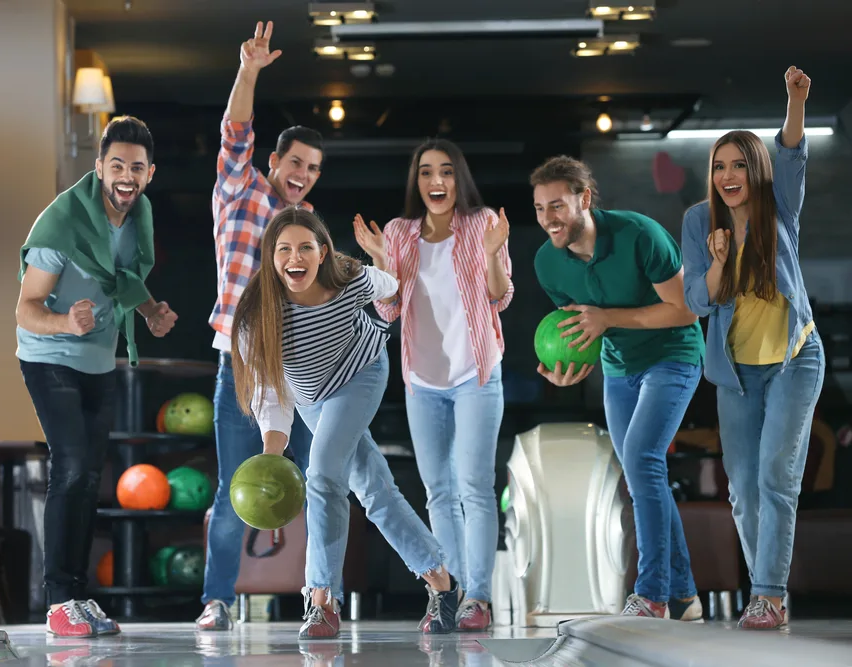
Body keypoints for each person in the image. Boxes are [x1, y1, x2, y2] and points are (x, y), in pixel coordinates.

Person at [231, 207, 461, 639]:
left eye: (305, 247)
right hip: (312, 397)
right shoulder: (255, 316)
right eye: (283, 249)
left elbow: (390, 285)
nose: (294, 257)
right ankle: (442, 582)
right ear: (271, 257)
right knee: (374, 489)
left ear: (322, 253)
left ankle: (321, 599)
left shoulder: (350, 278)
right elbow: (270, 392)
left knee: (321, 476)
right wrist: (271, 455)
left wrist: (386, 274)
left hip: (362, 373)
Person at [15, 116, 178, 637]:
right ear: (98, 168)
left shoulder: (139, 216)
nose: (126, 176)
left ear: (149, 173)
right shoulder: (61, 222)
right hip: (48, 356)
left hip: (99, 362)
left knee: (89, 476)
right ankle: (59, 600)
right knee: (69, 467)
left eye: (136, 167)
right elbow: (25, 308)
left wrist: (150, 312)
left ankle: (77, 594)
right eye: (116, 165)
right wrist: (66, 322)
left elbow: (123, 278)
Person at [530, 156, 706, 623]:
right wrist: (569, 369)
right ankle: (685, 595)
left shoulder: (639, 234)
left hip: (672, 355)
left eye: (558, 205)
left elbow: (686, 311)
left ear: (584, 199)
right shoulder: (548, 263)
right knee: (638, 473)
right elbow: (582, 332)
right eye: (540, 208)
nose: (548, 218)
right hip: (618, 367)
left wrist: (608, 319)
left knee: (644, 459)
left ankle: (651, 595)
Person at [681, 66, 824, 631]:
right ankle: (767, 593)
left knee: (774, 475)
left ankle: (767, 596)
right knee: (742, 490)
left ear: (755, 170)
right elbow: (697, 300)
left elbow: (791, 151)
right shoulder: (698, 221)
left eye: (739, 164)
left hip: (793, 360)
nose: (728, 174)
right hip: (737, 374)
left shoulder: (778, 207)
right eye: (719, 166)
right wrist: (717, 261)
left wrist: (794, 101)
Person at [352, 138, 512, 631]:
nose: (436, 182)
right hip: (422, 379)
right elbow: (387, 308)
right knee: (438, 492)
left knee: (475, 487)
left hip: (475, 374)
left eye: (445, 172)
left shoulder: (482, 223)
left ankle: (479, 599)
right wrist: (381, 260)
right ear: (416, 181)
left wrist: (490, 253)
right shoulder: (400, 232)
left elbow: (500, 296)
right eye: (426, 173)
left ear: (457, 178)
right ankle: (455, 594)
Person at [198, 20, 325, 632]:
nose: (302, 174)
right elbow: (235, 132)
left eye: (313, 168)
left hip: (298, 371)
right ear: (275, 161)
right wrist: (248, 71)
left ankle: (317, 600)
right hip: (240, 365)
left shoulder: (304, 230)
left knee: (311, 485)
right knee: (233, 488)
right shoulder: (241, 190)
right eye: (295, 162)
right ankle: (216, 600)